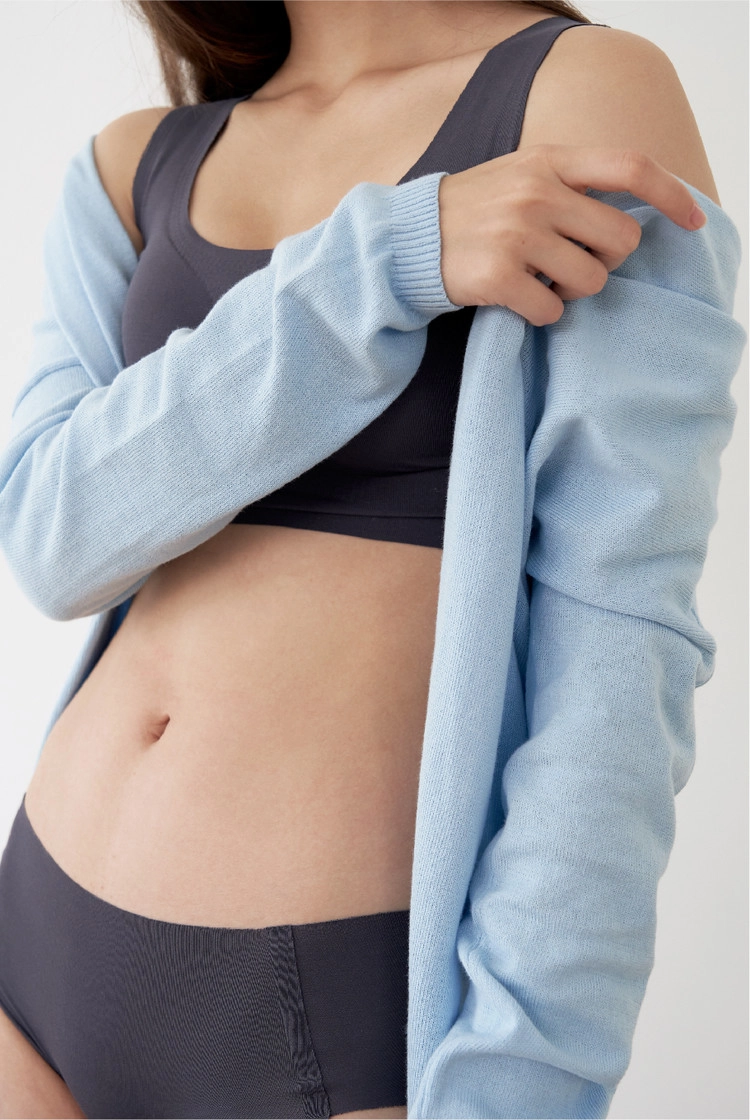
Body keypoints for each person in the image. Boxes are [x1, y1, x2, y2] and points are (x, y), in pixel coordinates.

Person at [0, 2, 744, 1118]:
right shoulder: (130, 165)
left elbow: (619, 657)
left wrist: (521, 1088)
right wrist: (388, 262)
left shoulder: (580, 92)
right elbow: (50, 536)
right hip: (33, 956)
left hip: (333, 1011)